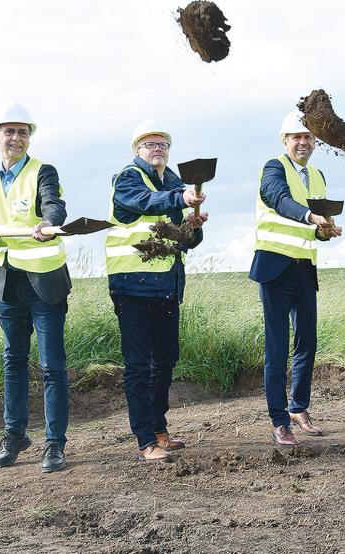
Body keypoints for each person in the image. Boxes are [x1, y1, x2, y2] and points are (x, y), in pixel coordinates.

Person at [0, 102, 72, 472]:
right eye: (9, 131)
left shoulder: (43, 171)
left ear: (29, 137)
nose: (16, 138)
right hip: (9, 280)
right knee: (13, 362)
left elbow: (55, 207)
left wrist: (47, 224)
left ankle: (54, 443)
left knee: (52, 367)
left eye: (23, 132)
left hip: (45, 282)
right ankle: (15, 435)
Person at [105, 120, 208, 462]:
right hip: (131, 287)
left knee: (165, 361)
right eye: (149, 144)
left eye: (162, 144)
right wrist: (180, 196)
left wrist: (191, 226)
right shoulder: (128, 178)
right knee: (138, 365)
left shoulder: (175, 182)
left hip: (166, 285)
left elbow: (187, 241)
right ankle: (145, 439)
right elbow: (144, 202)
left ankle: (159, 428)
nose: (157, 149)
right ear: (137, 150)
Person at [250, 110, 342, 447]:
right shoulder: (274, 168)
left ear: (315, 141)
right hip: (274, 266)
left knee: (307, 341)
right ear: (285, 141)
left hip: (304, 267)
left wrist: (325, 230)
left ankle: (298, 408)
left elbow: (315, 226)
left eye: (308, 137)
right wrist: (309, 216)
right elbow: (278, 200)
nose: (303, 142)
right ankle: (279, 421)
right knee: (277, 346)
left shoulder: (317, 175)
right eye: (296, 137)